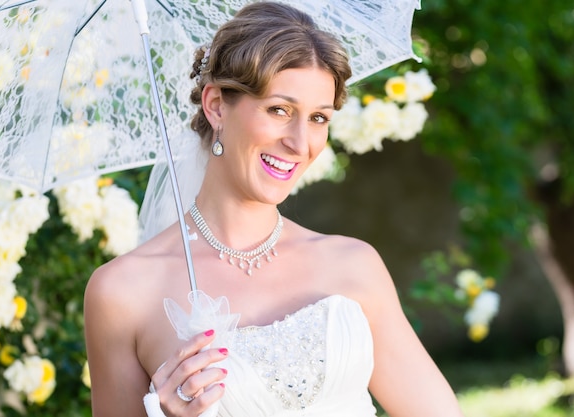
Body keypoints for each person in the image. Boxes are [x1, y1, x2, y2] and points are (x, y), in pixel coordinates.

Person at [84, 2, 464, 416]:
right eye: (279, 110)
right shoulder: (121, 294)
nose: (301, 144)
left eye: (318, 117)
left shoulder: (354, 265)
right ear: (215, 106)